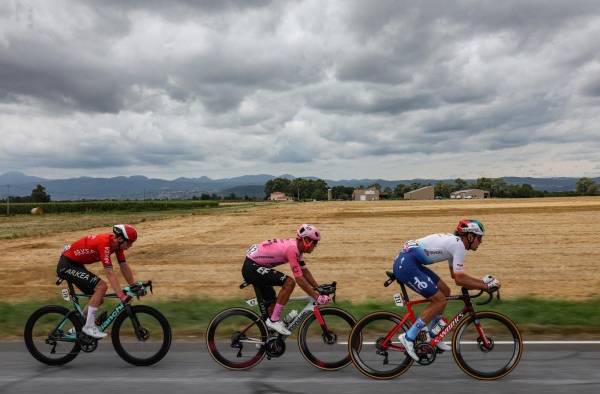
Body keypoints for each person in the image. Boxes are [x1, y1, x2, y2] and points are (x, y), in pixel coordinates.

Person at [394, 219, 501, 361]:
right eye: (479, 237)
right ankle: (409, 337)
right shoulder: (458, 245)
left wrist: (481, 283)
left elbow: (456, 277)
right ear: (470, 236)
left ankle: (433, 335)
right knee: (439, 300)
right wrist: (485, 285)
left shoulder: (456, 244)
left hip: (411, 262)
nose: (480, 241)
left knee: (445, 291)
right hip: (407, 265)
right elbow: (460, 279)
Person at [242, 224, 330, 335]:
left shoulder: (298, 250)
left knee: (273, 306)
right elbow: (299, 279)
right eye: (315, 242)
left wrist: (318, 288)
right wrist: (316, 296)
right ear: (306, 240)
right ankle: (274, 321)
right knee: (289, 282)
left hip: (256, 266)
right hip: (252, 268)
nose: (315, 246)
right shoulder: (292, 249)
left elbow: (304, 271)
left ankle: (268, 337)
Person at [56, 224, 140, 339]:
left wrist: (133, 285)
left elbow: (123, 265)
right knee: (101, 287)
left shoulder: (117, 246)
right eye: (130, 242)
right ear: (120, 239)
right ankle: (89, 327)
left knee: (97, 299)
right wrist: (121, 296)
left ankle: (77, 329)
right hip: (67, 265)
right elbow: (109, 273)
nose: (131, 245)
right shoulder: (104, 244)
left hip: (75, 264)